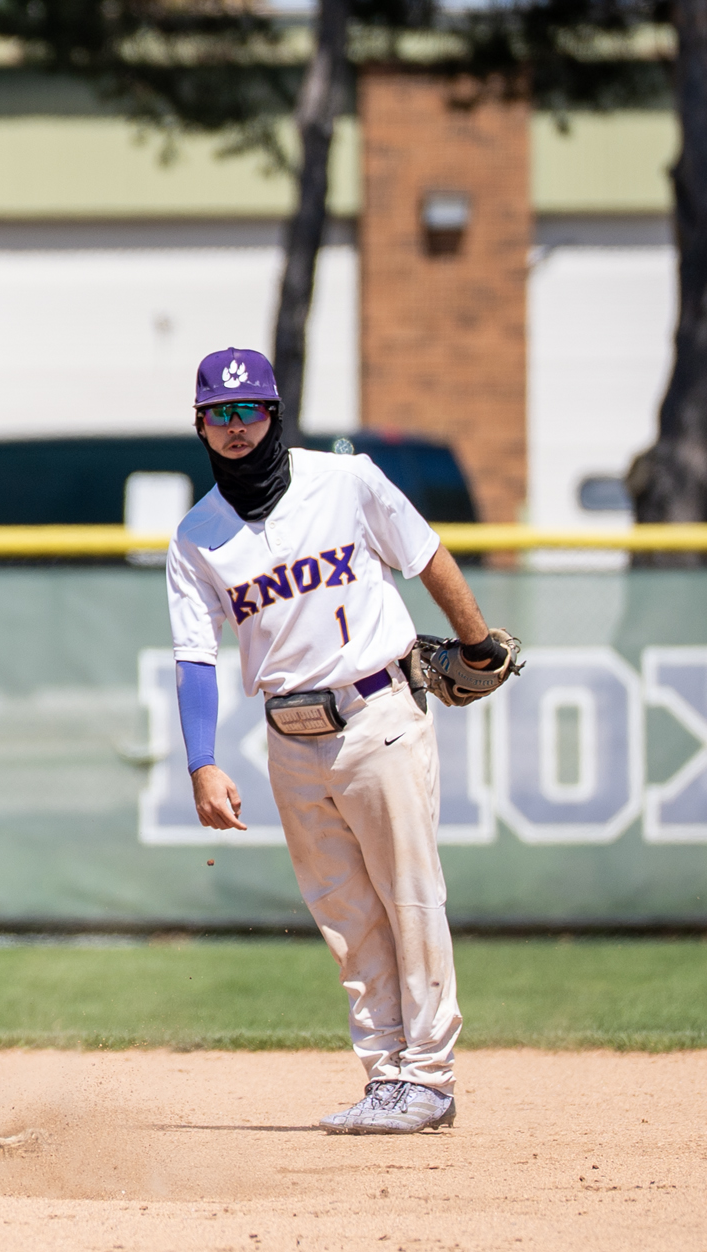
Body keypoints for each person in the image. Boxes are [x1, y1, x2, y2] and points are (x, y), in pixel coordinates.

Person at [168, 347, 515, 1135]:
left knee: (410, 897)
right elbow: (195, 658)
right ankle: (388, 1075)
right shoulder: (197, 537)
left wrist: (477, 642)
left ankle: (431, 1075)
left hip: (377, 716)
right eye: (218, 413)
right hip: (290, 738)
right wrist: (202, 761)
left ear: (274, 413)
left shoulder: (345, 480)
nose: (233, 426)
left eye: (247, 409)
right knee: (345, 913)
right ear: (198, 424)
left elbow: (425, 555)